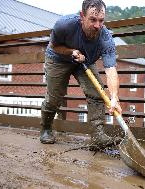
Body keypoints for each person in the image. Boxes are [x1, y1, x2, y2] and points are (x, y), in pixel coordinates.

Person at [40, 0, 122, 148]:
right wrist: (72, 52)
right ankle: (46, 128)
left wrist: (114, 97)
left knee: (97, 92)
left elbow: (111, 70)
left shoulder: (105, 37)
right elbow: (55, 46)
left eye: (101, 20)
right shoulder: (64, 25)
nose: (98, 25)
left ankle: (97, 137)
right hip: (58, 58)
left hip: (85, 61)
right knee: (54, 97)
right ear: (82, 16)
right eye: (93, 19)